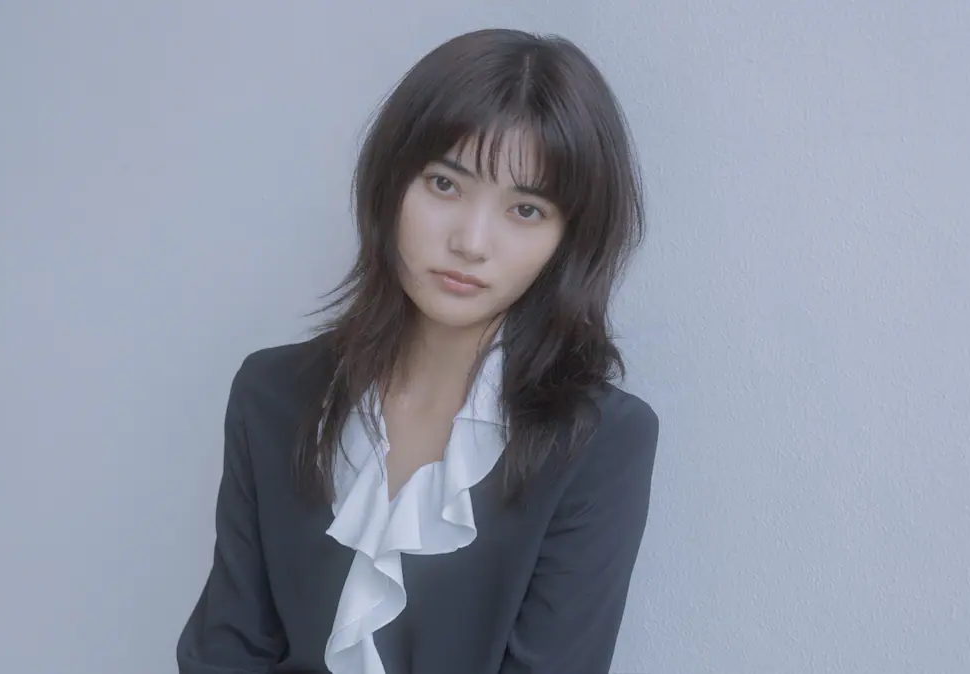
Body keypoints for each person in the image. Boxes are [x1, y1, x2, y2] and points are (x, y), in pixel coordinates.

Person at [176, 27, 660, 674]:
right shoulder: (272, 394)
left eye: (525, 210)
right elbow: (225, 652)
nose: (471, 242)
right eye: (444, 184)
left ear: (569, 241)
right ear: (390, 183)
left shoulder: (597, 441)